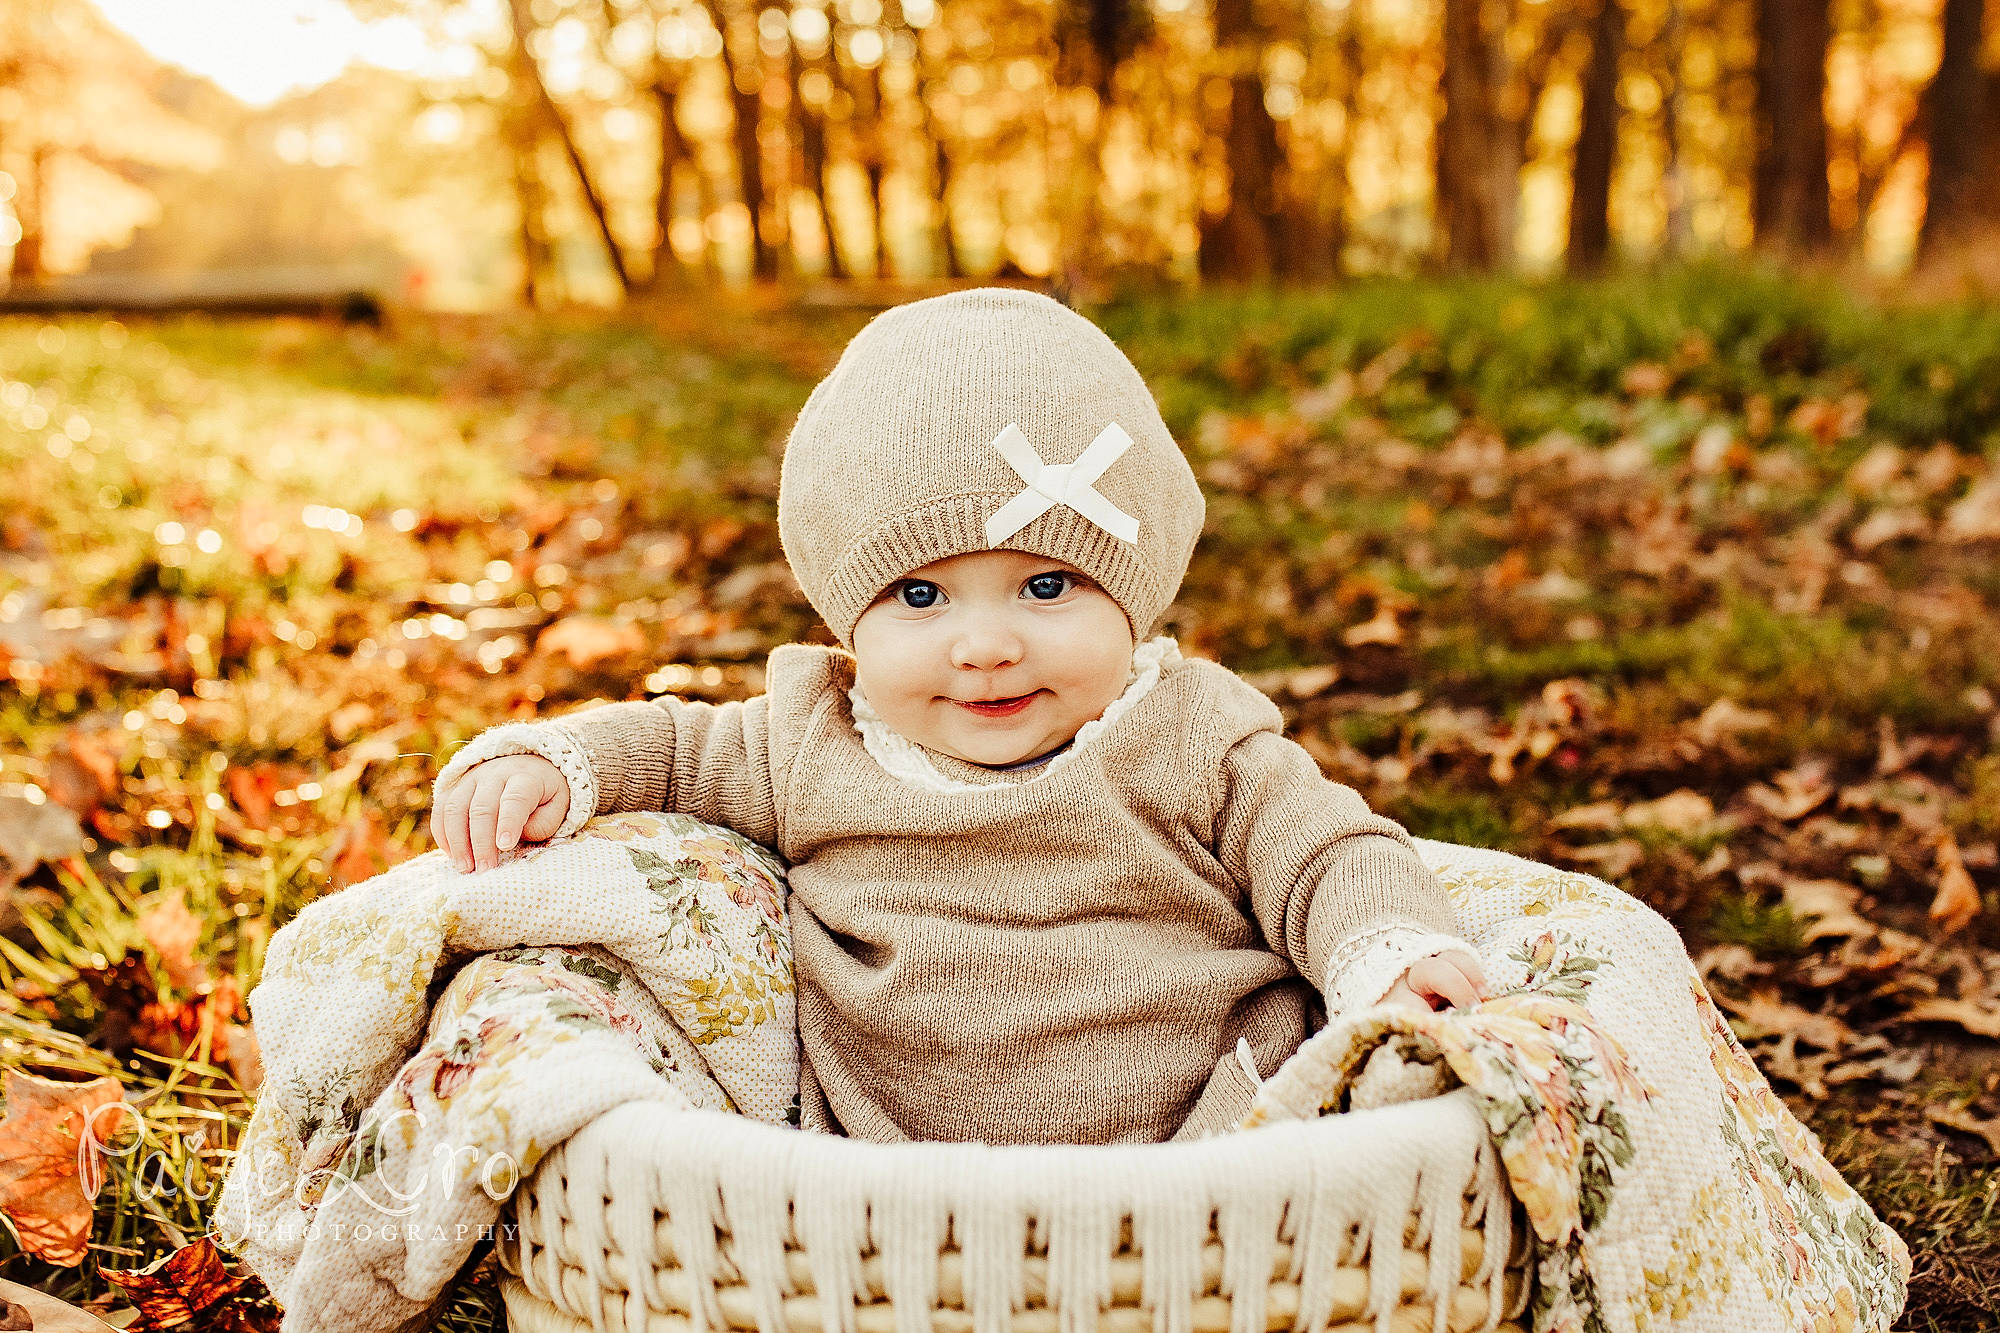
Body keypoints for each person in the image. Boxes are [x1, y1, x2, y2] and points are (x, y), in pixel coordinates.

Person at [429, 287, 1486, 1146]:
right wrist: (553, 763)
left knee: (1396, 1110)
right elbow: (668, 746)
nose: (984, 646)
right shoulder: (814, 735)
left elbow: (1325, 850)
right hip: (892, 1181)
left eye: (1046, 586)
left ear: (1134, 587)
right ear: (849, 619)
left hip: (1218, 1141)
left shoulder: (1189, 732)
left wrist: (1382, 954)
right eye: (921, 597)